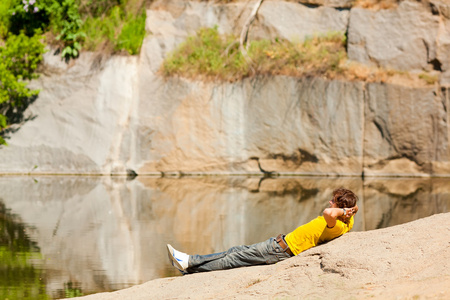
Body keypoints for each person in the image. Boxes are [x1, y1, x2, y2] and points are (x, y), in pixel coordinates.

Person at [167, 188, 358, 274]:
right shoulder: (347, 222)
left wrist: (341, 210)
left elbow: (328, 213)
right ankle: (190, 265)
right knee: (234, 252)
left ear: (340, 208)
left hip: (279, 250)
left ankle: (189, 263)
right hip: (278, 245)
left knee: (231, 260)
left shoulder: (337, 224)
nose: (329, 203)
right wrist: (350, 209)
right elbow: (348, 211)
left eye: (333, 201)